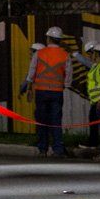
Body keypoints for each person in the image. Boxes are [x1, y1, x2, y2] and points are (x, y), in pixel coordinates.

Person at [20, 29, 70, 158]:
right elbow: (68, 74)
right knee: (56, 121)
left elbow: (32, 72)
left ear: (48, 39)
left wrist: (29, 85)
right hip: (57, 92)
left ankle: (43, 149)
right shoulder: (65, 55)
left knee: (42, 120)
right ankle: (58, 149)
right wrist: (65, 85)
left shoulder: (39, 53)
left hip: (41, 91)